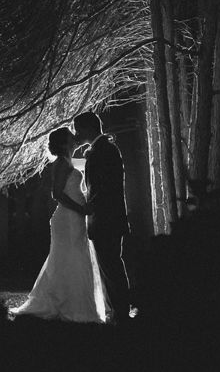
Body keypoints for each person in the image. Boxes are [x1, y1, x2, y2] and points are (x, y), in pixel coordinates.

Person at [9, 127, 108, 323]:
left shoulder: (68, 162)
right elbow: (57, 194)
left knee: (71, 257)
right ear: (64, 143)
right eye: (72, 136)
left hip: (74, 217)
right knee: (71, 257)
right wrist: (82, 209)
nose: (76, 137)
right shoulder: (62, 163)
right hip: (68, 218)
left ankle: (69, 300)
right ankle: (69, 305)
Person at [73, 110, 132, 324]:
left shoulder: (104, 150)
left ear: (88, 128)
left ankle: (120, 312)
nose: (76, 133)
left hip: (106, 218)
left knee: (111, 266)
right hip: (108, 218)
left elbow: (103, 186)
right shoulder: (102, 149)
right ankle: (117, 310)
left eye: (77, 129)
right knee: (110, 266)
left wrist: (89, 207)